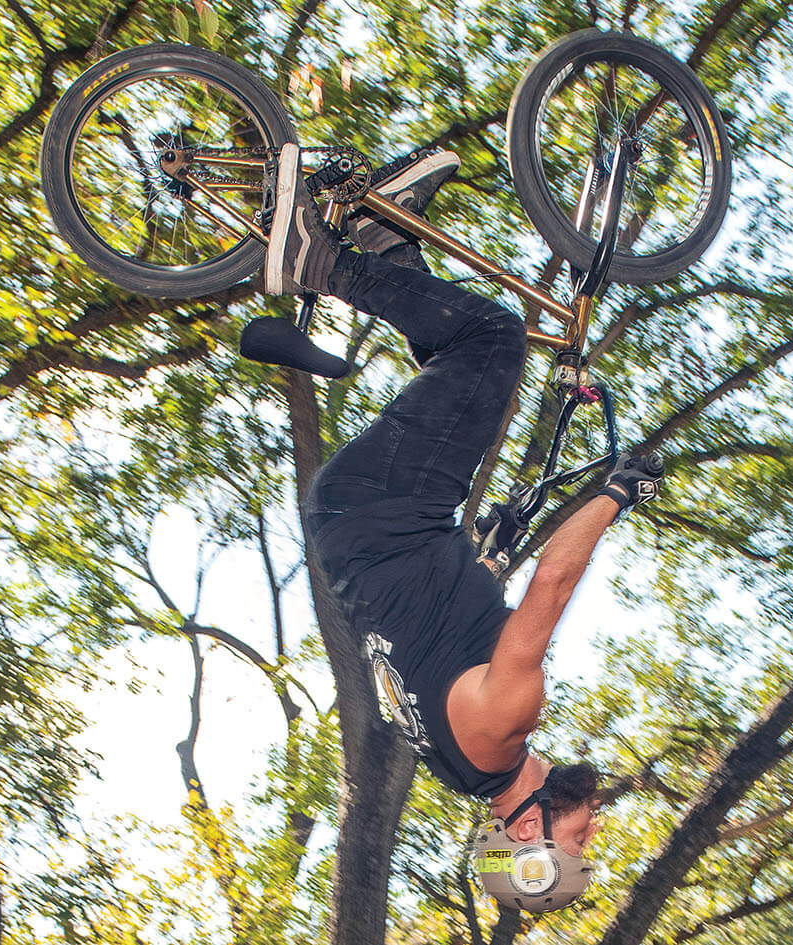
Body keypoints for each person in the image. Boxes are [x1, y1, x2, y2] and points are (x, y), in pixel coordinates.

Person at [250, 142, 664, 911]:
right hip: (369, 526)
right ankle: (384, 242)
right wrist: (486, 556)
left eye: (575, 841)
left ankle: (317, 260)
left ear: (533, 830)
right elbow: (430, 633)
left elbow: (557, 579)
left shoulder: (505, 725)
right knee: (458, 366)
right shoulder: (462, 763)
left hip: (383, 510)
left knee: (494, 340)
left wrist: (618, 491)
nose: (592, 827)